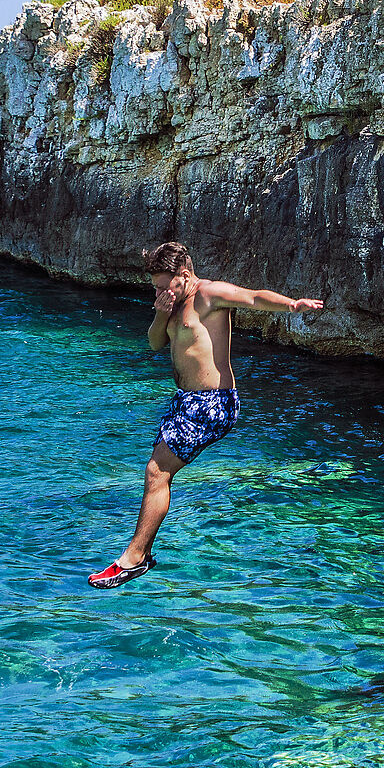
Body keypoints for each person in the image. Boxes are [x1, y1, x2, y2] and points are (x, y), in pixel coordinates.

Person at [87, 240, 325, 588]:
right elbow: (155, 343)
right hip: (184, 402)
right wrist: (160, 310)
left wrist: (292, 305)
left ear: (183, 275)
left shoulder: (209, 295)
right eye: (154, 285)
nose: (158, 290)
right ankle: (140, 556)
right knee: (156, 473)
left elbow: (254, 297)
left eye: (161, 284)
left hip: (213, 403)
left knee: (156, 472)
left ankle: (134, 558)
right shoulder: (172, 301)